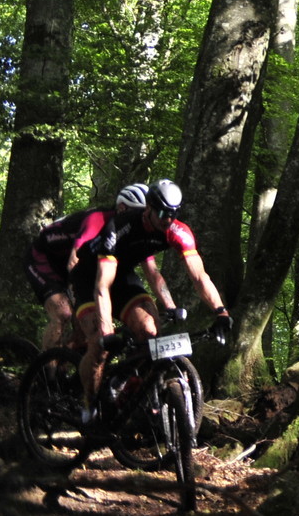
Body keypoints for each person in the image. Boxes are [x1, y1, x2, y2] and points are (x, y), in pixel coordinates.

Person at [73, 179, 230, 426]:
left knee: (149, 330)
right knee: (99, 344)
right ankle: (89, 405)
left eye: (174, 213)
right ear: (148, 208)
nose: (169, 219)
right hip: (90, 277)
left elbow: (199, 277)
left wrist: (221, 312)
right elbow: (102, 286)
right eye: (163, 213)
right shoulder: (121, 226)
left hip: (122, 276)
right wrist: (106, 330)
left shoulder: (177, 231)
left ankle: (127, 391)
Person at [23, 186, 143, 351]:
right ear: (122, 208)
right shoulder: (98, 219)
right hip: (43, 258)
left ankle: (66, 360)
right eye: (138, 212)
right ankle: (45, 366)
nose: (141, 218)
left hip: (70, 264)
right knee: (63, 313)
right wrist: (77, 298)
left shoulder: (126, 230)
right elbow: (73, 261)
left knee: (85, 328)